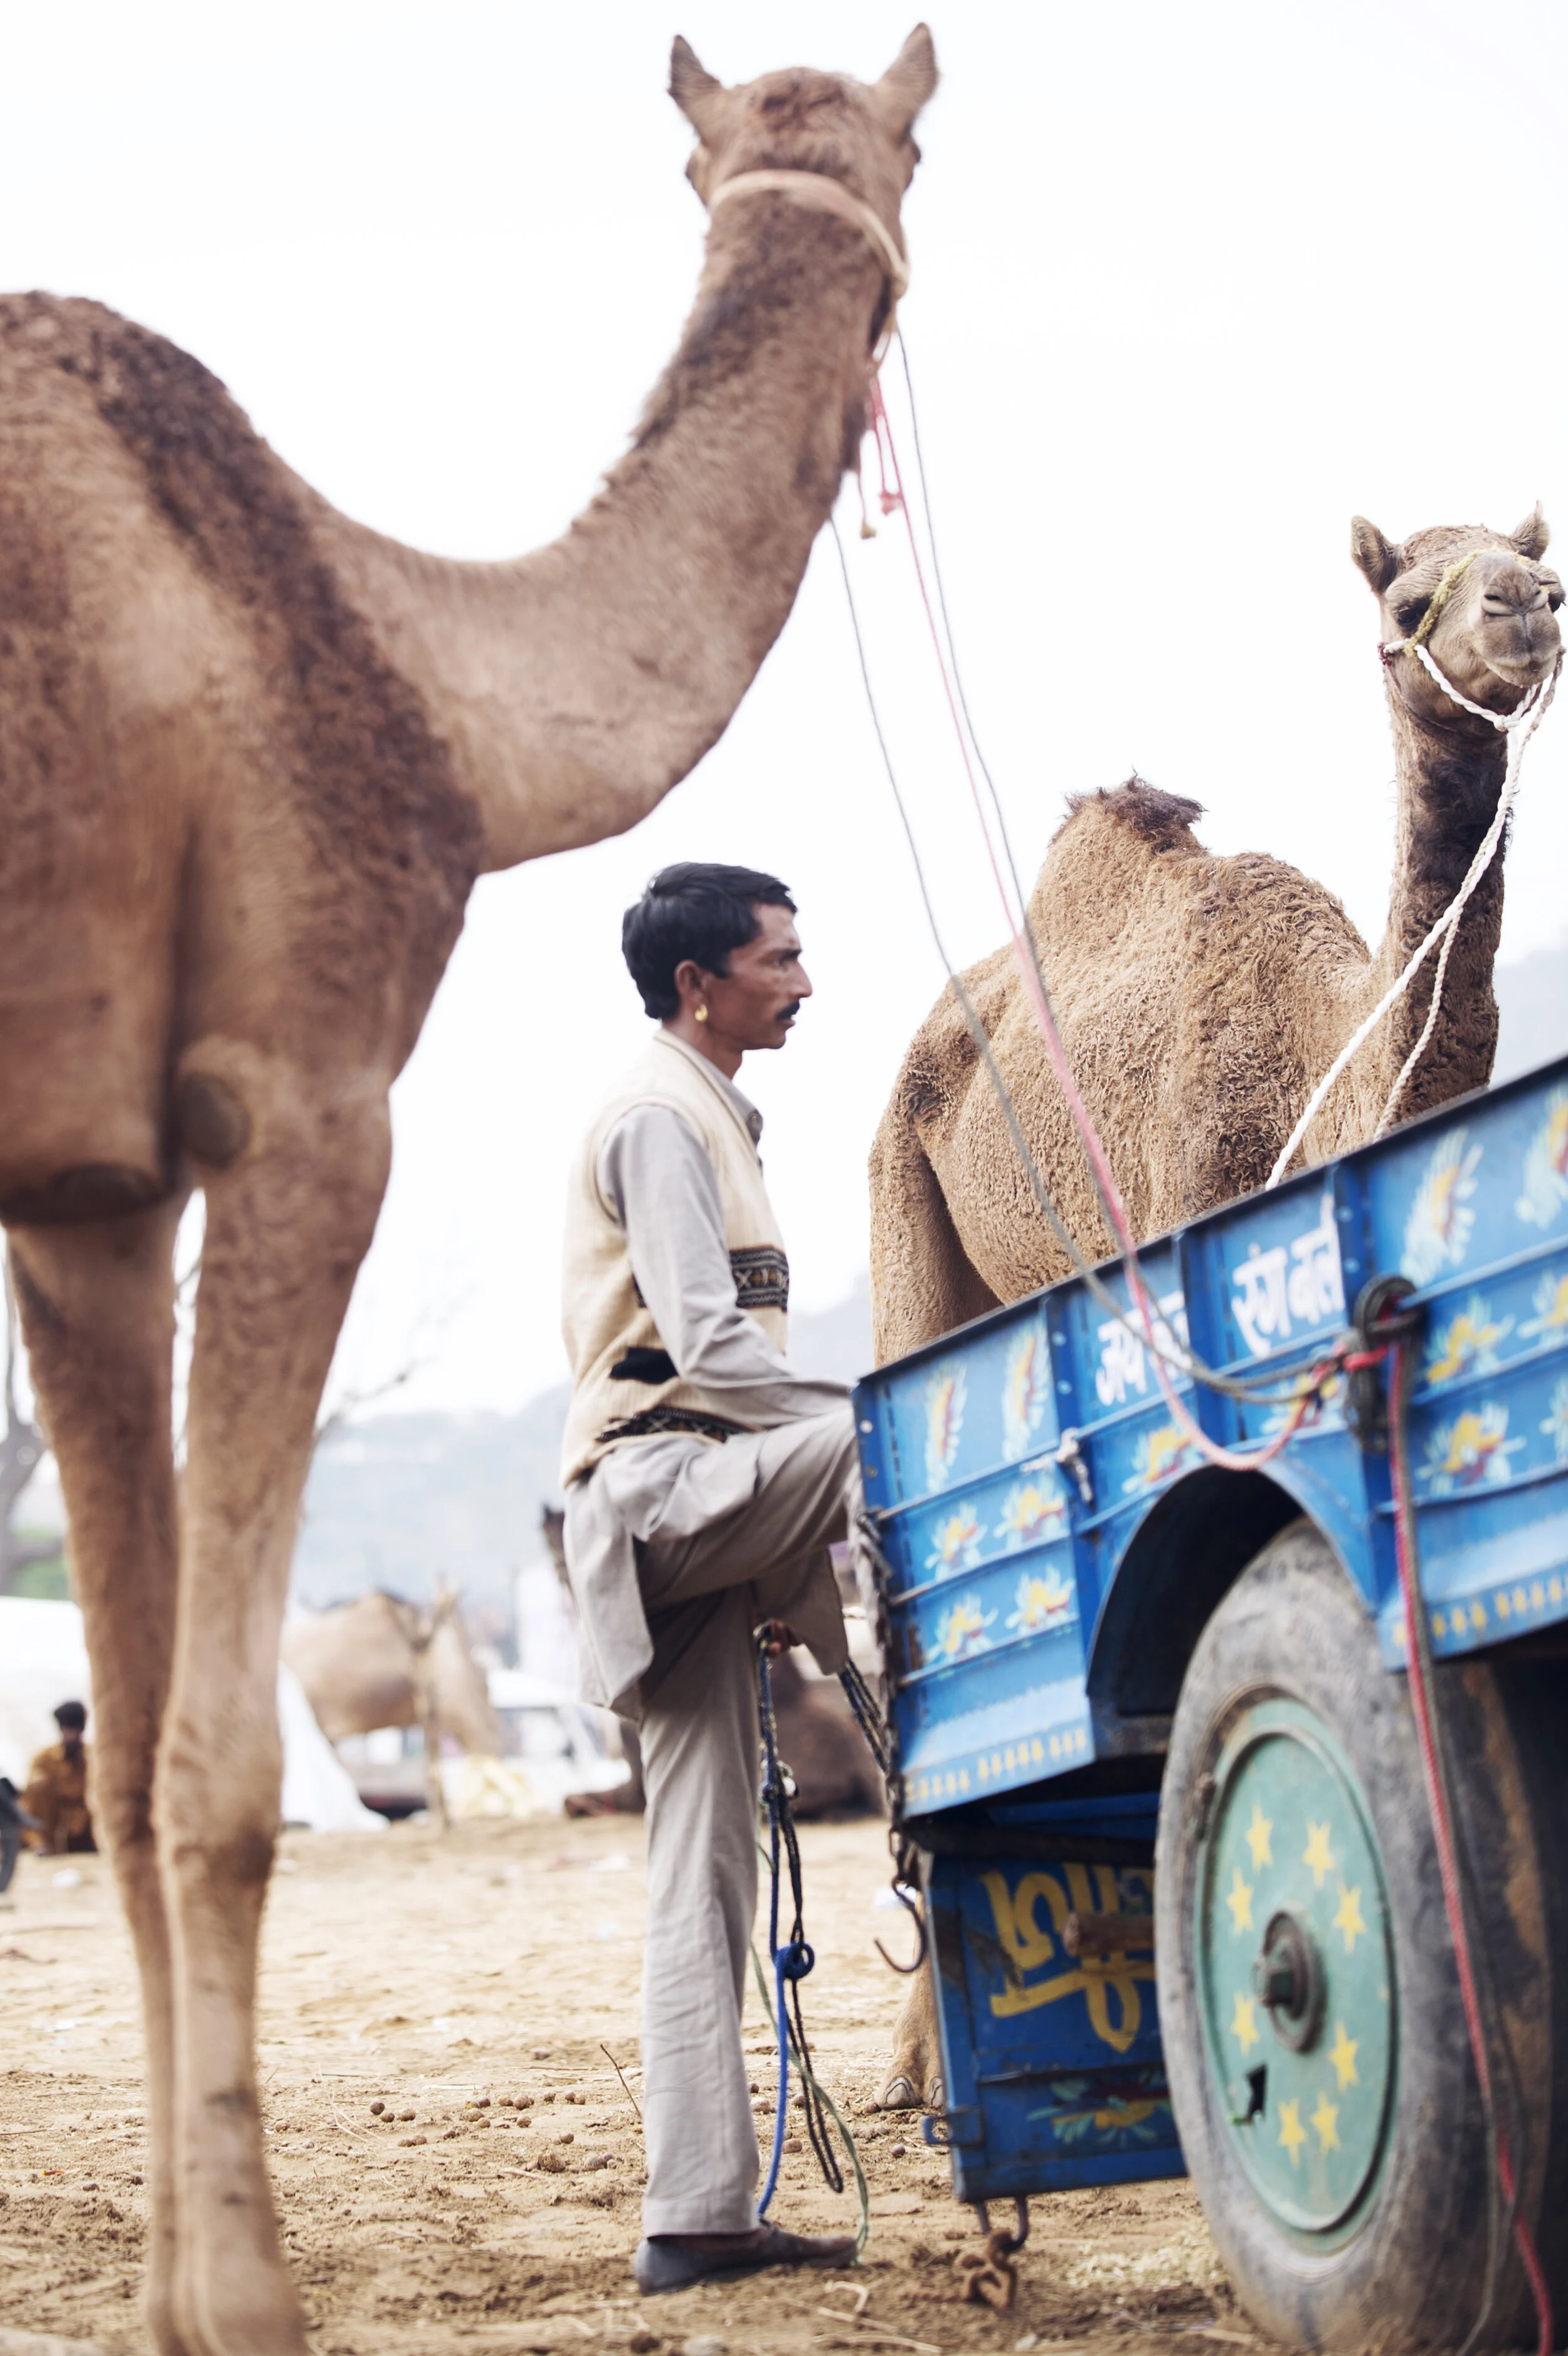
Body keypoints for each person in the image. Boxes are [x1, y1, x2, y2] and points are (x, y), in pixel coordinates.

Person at [560, 862, 862, 2296]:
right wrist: (849, 1435)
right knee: (904, 1432)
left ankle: (695, 2213)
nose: (803, 982)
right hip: (663, 1487)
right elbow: (714, 1350)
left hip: (678, 1505)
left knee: (707, 1867)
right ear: (702, 981)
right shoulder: (657, 1118)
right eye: (781, 959)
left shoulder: (710, 1116)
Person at [23, 1700, 96, 1855]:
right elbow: (30, 1805)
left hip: (86, 1830)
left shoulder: (93, 1758)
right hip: (53, 1829)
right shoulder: (44, 1760)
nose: (70, 1736)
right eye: (67, 1730)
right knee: (38, 1785)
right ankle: (42, 1845)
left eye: (74, 1730)